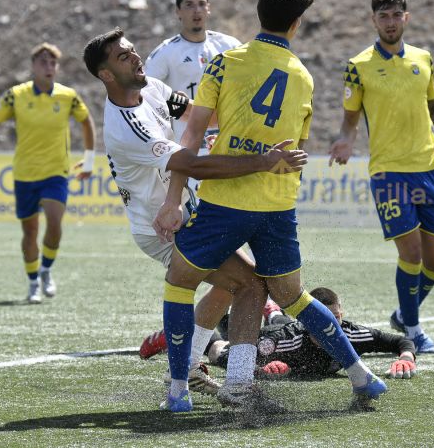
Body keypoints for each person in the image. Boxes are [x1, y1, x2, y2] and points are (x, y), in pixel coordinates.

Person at [154, 0, 388, 413]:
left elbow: (190, 136)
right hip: (278, 204)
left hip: (226, 201)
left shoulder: (225, 62)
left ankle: (177, 389)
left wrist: (174, 198)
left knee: (180, 283)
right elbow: (294, 151)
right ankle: (359, 375)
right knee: (292, 296)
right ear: (297, 24)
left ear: (258, 13)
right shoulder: (303, 77)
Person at [82, 27, 307, 410]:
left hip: (185, 213)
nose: (136, 57)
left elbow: (197, 113)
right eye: (123, 57)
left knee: (229, 287)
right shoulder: (127, 127)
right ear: (105, 75)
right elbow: (193, 165)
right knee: (251, 284)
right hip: (162, 228)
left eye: (133, 50)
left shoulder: (151, 87)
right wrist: (264, 161)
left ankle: (185, 368)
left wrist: (249, 120)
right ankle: (229, 384)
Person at [329, 0, 434, 354]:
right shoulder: (358, 66)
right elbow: (350, 122)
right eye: (383, 16)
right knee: (411, 253)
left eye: (396, 15)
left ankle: (404, 314)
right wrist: (344, 142)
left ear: (406, 18)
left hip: (427, 169)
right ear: (374, 21)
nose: (390, 22)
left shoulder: (424, 59)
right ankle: (415, 331)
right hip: (389, 173)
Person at [0, 43, 96, 304]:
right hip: (25, 174)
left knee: (54, 221)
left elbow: (86, 121)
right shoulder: (16, 95)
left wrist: (88, 159)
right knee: (30, 232)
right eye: (43, 62)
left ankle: (46, 269)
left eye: (53, 63)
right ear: (33, 66)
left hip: (56, 172)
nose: (49, 67)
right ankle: (32, 282)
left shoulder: (68, 96)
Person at [139, 288, 418, 380]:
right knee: (219, 347)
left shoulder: (349, 333)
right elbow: (233, 359)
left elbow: (397, 340)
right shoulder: (284, 342)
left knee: (279, 319)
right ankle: (180, 334)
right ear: (310, 320)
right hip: (266, 334)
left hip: (283, 324)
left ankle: (271, 308)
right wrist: (262, 369)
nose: (329, 327)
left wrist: (407, 356)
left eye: (335, 319)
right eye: (322, 320)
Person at [144, 0, 242, 191]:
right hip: (187, 150)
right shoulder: (165, 53)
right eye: (189, 5)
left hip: (227, 146)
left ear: (209, 8)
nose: (196, 10)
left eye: (201, 4)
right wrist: (168, 103)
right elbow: (144, 94)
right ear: (178, 11)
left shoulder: (231, 47)